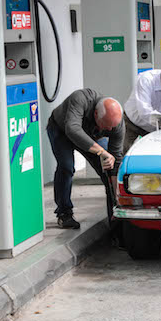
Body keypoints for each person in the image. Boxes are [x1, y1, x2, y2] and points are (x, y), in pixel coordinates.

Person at [47, 89, 124, 228]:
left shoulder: (116, 124)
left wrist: (117, 198)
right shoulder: (80, 98)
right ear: (95, 114)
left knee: (107, 170)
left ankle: (114, 220)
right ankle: (64, 213)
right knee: (66, 166)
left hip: (91, 135)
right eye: (105, 125)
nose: (108, 129)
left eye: (111, 128)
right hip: (61, 130)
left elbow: (116, 160)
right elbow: (72, 129)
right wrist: (101, 152)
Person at [123, 61, 161, 152]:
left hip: (157, 128)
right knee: (124, 152)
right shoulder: (146, 80)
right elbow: (144, 112)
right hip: (132, 122)